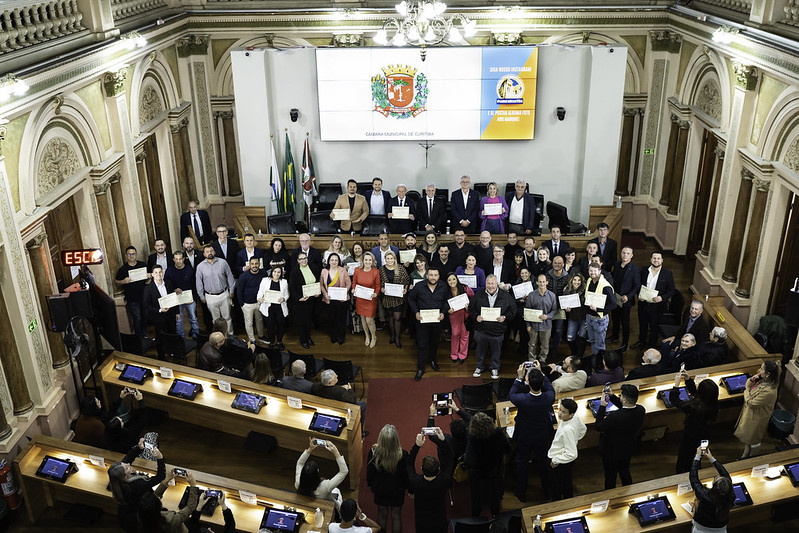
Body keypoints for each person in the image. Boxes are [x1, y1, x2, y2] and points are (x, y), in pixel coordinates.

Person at [509, 363, 555, 502]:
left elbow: (511, 394)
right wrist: (542, 373)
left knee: (522, 463)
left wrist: (519, 377)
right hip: (542, 435)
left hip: (524, 436)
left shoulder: (522, 399)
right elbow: (549, 387)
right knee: (543, 462)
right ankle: (547, 492)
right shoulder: (549, 397)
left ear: (527, 381)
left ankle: (521, 492)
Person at [108, 438, 166, 533]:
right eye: (127, 467)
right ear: (126, 475)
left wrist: (138, 448)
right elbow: (160, 477)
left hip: (125, 514)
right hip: (138, 518)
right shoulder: (138, 485)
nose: (128, 464)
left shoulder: (116, 478)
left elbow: (127, 459)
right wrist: (160, 458)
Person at [595, 383, 646, 489]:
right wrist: (612, 396)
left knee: (610, 475)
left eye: (620, 396)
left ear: (624, 400)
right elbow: (625, 408)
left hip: (611, 450)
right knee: (625, 471)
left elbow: (598, 426)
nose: (620, 397)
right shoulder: (641, 410)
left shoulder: (615, 416)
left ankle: (610, 494)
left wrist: (602, 406)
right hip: (628, 447)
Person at [463, 412, 510, 517]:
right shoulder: (497, 432)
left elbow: (468, 461)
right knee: (495, 498)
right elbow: (507, 448)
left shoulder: (473, 437)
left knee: (477, 499)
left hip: (479, 476)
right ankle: (495, 515)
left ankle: (476, 518)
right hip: (495, 473)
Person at [671, 370, 719, 473]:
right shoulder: (713, 403)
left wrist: (676, 384)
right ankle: (697, 469)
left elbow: (673, 399)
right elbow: (696, 393)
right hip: (704, 436)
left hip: (689, 437)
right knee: (698, 456)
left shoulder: (692, 408)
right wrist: (688, 379)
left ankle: (682, 474)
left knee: (684, 458)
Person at [469, 274, 516, 379]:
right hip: (481, 329)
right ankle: (479, 367)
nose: (490, 286)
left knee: (496, 351)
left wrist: (504, 317)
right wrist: (476, 316)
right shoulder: (478, 295)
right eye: (488, 283)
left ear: (497, 284)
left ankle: (494, 367)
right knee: (480, 350)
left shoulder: (506, 296)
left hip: (497, 330)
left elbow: (513, 310)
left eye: (493, 284)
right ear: (486, 284)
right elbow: (471, 309)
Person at [407, 429, 451, 533]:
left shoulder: (415, 481)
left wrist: (417, 445)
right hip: (439, 521)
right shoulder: (444, 480)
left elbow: (409, 464)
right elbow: (450, 458)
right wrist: (443, 441)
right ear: (438, 469)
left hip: (422, 522)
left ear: (421, 468)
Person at [408, 267, 448, 381]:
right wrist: (416, 312)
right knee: (422, 344)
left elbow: (447, 301)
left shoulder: (443, 286)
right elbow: (411, 299)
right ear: (427, 276)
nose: (433, 277)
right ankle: (420, 368)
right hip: (422, 321)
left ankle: (432, 360)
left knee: (435, 343)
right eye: (431, 275)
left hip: (437, 321)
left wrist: (443, 312)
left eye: (435, 275)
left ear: (439, 276)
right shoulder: (419, 286)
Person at [367, 424, 409, 533]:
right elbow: (406, 475)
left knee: (382, 514)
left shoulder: (373, 453)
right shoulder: (403, 455)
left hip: (380, 490)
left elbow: (370, 473)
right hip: (397, 490)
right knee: (396, 515)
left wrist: (371, 484)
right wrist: (408, 489)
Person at [734, 360, 780, 459]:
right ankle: (745, 455)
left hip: (757, 419)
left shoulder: (769, 391)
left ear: (768, 374)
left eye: (762, 369)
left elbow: (751, 403)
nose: (759, 371)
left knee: (754, 440)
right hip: (751, 415)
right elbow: (749, 383)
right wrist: (751, 380)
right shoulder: (763, 379)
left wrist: (746, 390)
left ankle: (752, 458)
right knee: (748, 438)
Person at [634, 251, 676, 349]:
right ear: (650, 260)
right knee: (642, 324)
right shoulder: (644, 270)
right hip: (643, 303)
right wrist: (639, 295)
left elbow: (672, 291)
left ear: (662, 260)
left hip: (657, 306)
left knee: (654, 326)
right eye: (654, 258)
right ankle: (641, 342)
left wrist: (662, 298)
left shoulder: (667, 274)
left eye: (658, 258)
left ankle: (652, 345)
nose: (656, 260)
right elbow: (638, 285)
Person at [689, 445, 735, 533]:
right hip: (721, 530)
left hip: (701, 530)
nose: (717, 476)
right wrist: (711, 458)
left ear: (715, 488)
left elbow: (693, 478)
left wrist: (697, 457)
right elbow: (726, 476)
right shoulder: (730, 495)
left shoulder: (705, 496)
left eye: (716, 478)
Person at [137, 468, 199, 533]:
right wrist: (193, 485)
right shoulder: (171, 520)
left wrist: (167, 479)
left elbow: (155, 496)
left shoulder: (142, 518)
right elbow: (190, 507)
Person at [547, 398, 587, 500]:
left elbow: (573, 454)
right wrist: (574, 441)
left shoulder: (567, 430)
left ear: (571, 414)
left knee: (557, 486)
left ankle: (557, 505)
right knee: (567, 482)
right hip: (565, 459)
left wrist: (556, 460)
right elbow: (583, 429)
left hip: (560, 460)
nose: (559, 413)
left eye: (563, 412)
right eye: (559, 410)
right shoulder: (575, 417)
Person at [295, 437, 349, 509]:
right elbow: (344, 471)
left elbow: (299, 463)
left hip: (310, 505)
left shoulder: (298, 482)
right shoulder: (325, 486)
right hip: (331, 508)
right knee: (336, 490)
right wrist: (335, 451)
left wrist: (310, 449)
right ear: (317, 472)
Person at [195, 244, 235, 334]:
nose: (210, 253)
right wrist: (201, 296)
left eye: (211, 251)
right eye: (207, 252)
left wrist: (231, 291)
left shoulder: (223, 262)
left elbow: (230, 277)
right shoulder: (200, 267)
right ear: (204, 254)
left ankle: (230, 337)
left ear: (214, 252)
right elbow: (199, 283)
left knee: (227, 317)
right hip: (210, 296)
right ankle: (219, 338)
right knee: (215, 320)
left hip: (224, 294)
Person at [609, 246, 641, 352]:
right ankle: (615, 336)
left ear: (631, 255)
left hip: (626, 300)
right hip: (616, 297)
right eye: (623, 253)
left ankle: (625, 343)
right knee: (615, 317)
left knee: (625, 322)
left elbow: (637, 286)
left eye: (628, 253)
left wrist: (628, 296)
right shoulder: (617, 264)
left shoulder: (635, 269)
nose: (625, 255)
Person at [289, 251, 321, 349]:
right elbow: (291, 288)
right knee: (302, 322)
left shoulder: (314, 267)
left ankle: (308, 338)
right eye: (301, 259)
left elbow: (318, 281)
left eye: (305, 258)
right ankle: (303, 340)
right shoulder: (294, 271)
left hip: (312, 299)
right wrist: (299, 298)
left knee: (309, 320)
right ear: (298, 261)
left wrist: (318, 291)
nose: (304, 260)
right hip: (301, 301)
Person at [585, 262, 617, 358]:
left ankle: (600, 364)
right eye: (591, 270)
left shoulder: (605, 286)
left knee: (600, 345)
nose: (592, 273)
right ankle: (595, 360)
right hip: (589, 317)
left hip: (599, 319)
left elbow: (613, 304)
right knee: (592, 341)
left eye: (595, 271)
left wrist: (598, 309)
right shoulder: (589, 281)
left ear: (599, 271)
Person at [165, 251, 199, 339]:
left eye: (180, 259)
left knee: (193, 319)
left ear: (183, 259)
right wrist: (174, 289)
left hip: (189, 299)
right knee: (178, 320)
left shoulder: (189, 269)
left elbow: (195, 285)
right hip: (176, 300)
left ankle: (196, 336)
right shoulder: (169, 270)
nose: (178, 261)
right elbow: (166, 285)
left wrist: (194, 298)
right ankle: (181, 338)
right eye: (176, 259)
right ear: (173, 260)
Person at [115, 246, 148, 337]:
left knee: (145, 316)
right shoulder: (123, 269)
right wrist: (123, 281)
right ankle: (139, 337)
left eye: (133, 254)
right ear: (126, 255)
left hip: (144, 297)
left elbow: (147, 281)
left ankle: (144, 334)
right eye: (129, 254)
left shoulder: (142, 265)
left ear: (136, 254)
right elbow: (116, 282)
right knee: (137, 318)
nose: (131, 256)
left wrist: (149, 277)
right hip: (132, 299)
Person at [380, 250, 410, 348]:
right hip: (387, 298)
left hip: (398, 298)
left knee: (397, 318)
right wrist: (381, 289)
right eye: (387, 258)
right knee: (390, 317)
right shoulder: (381, 269)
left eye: (391, 258)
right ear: (385, 259)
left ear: (395, 259)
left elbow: (407, 280)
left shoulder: (400, 268)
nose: (390, 260)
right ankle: (392, 335)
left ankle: (397, 338)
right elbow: (379, 282)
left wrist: (405, 289)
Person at [525, 273, 557, 364]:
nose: (542, 284)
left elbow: (554, 310)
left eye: (543, 282)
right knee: (532, 344)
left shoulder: (552, 296)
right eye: (540, 282)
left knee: (545, 345)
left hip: (546, 325)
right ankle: (531, 360)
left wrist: (547, 316)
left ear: (546, 282)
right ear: (537, 283)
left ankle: (542, 360)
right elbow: (527, 311)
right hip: (533, 325)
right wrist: (528, 325)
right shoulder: (531, 295)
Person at [321, 252, 351, 345]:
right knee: (331, 319)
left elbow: (348, 283)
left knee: (341, 319)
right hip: (329, 299)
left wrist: (344, 292)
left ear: (339, 261)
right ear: (328, 261)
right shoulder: (324, 271)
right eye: (332, 260)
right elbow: (321, 285)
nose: (334, 262)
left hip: (341, 300)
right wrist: (325, 294)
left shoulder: (343, 270)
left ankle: (341, 336)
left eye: (336, 260)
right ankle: (333, 335)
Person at [353, 252, 381, 348]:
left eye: (370, 260)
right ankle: (367, 336)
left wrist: (376, 294)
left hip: (370, 299)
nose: (368, 262)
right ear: (363, 261)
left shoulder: (375, 271)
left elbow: (378, 286)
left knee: (369, 320)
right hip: (360, 299)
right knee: (363, 319)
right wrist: (353, 289)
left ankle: (374, 336)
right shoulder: (357, 270)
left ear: (372, 261)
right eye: (366, 260)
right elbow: (354, 282)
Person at [257, 265, 289, 350]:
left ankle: (279, 342)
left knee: (281, 325)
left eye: (279, 272)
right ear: (271, 272)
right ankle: (271, 342)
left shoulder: (284, 282)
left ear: (281, 273)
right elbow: (260, 292)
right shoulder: (265, 280)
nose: (276, 274)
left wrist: (284, 298)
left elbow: (287, 294)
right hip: (268, 308)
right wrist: (259, 298)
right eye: (275, 271)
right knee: (270, 326)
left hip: (280, 308)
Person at [142, 264, 178, 335]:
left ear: (163, 273)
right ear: (152, 274)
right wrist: (160, 310)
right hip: (158, 317)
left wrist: (177, 312)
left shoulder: (169, 283)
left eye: (160, 272)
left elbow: (174, 298)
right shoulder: (148, 288)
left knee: (173, 333)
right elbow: (146, 304)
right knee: (161, 336)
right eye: (156, 272)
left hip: (171, 315)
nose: (158, 274)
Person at [445, 272, 473, 363]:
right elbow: (443, 304)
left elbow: (473, 298)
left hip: (465, 314)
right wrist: (447, 310)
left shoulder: (465, 288)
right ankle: (454, 354)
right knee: (455, 334)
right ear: (447, 282)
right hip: (454, 315)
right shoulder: (446, 291)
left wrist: (469, 306)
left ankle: (462, 355)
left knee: (465, 335)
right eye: (449, 280)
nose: (452, 281)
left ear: (457, 279)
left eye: (453, 279)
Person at [236, 257, 265, 344]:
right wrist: (242, 304)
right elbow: (239, 291)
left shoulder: (263, 274)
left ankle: (261, 336)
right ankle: (252, 340)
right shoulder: (243, 276)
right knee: (249, 323)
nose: (254, 266)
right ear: (249, 264)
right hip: (247, 304)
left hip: (259, 302)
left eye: (256, 264)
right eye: (252, 264)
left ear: (259, 264)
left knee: (259, 321)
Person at [545, 255, 570, 352]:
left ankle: (555, 349)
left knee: (558, 330)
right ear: (552, 264)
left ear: (563, 264)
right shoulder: (547, 275)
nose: (557, 265)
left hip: (560, 308)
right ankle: (547, 348)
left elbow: (570, 292)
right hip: (548, 307)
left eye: (559, 263)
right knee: (548, 330)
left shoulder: (567, 276)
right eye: (555, 263)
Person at [563, 273, 588, 356]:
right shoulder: (567, 290)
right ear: (571, 280)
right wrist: (566, 308)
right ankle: (574, 353)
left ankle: (580, 356)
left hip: (583, 317)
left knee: (582, 337)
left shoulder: (586, 290)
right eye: (575, 280)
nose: (577, 282)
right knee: (570, 338)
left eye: (579, 280)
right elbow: (564, 304)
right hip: (572, 317)